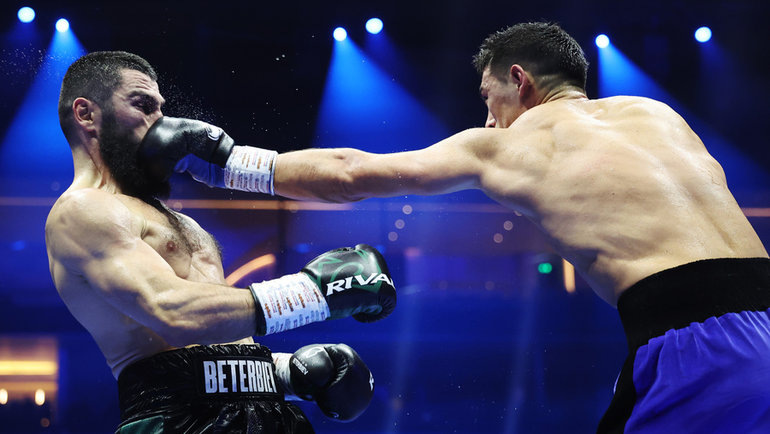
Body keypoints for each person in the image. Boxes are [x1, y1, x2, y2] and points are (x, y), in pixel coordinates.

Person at [144, 22, 770, 433]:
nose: (489, 117)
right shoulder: (656, 114)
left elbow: (349, 173)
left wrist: (229, 163)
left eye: (488, 96)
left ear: (519, 81)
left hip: (699, 344)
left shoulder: (510, 144)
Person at [44, 51, 397, 433]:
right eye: (143, 105)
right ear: (86, 114)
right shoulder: (81, 210)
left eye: (161, 109)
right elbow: (173, 313)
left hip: (264, 414)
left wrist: (287, 374)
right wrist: (311, 294)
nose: (160, 122)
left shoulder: (178, 220)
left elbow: (213, 348)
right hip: (176, 420)